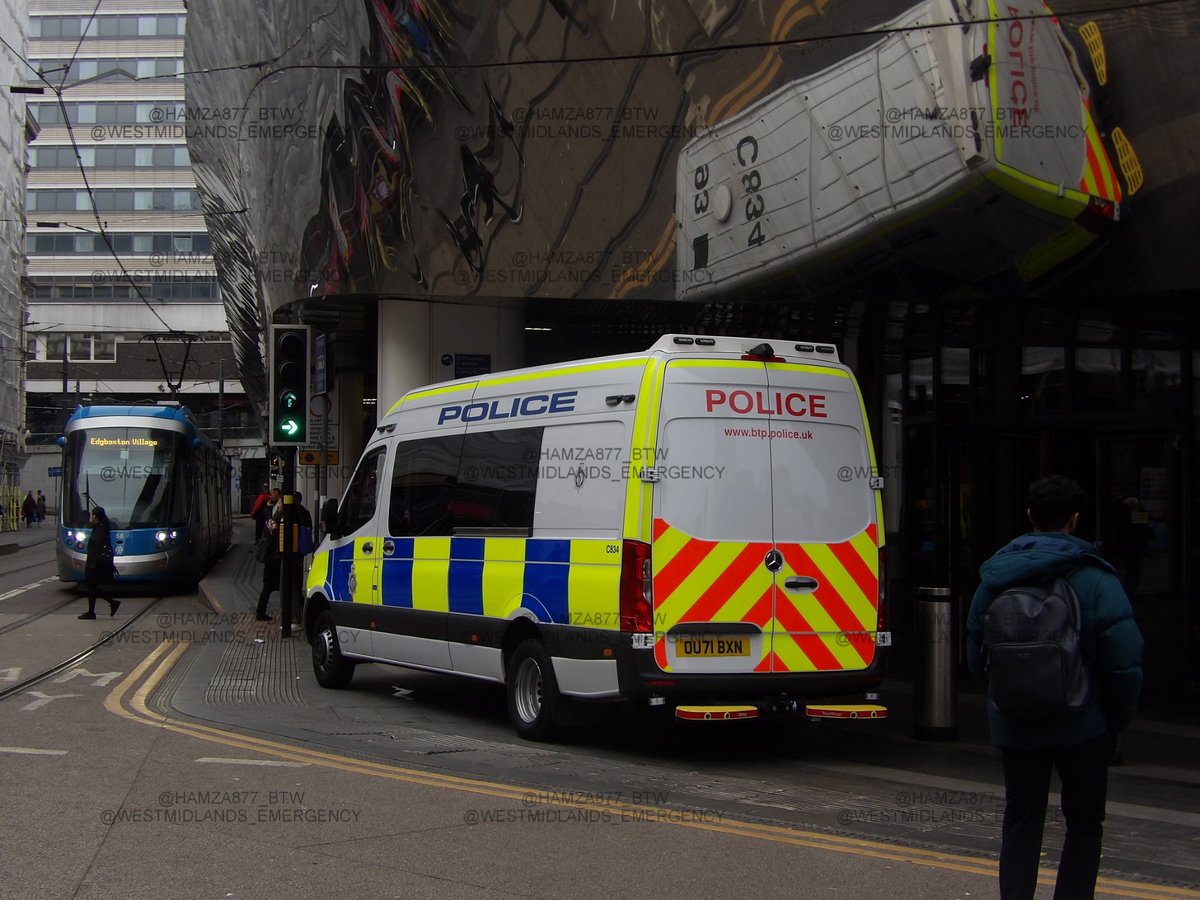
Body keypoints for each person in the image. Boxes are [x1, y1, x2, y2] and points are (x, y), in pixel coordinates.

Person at [967, 475, 1144, 899]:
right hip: (1084, 725)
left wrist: (1000, 701)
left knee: (1022, 819)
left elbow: (976, 652)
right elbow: (1125, 660)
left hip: (1016, 724)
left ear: (1029, 516)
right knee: (1084, 823)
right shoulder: (1096, 579)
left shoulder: (995, 578)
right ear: (1075, 520)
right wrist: (1113, 721)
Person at [79, 506, 120, 619]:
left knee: (91, 585)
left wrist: (92, 563)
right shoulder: (99, 526)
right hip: (94, 560)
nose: (91, 517)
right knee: (91, 586)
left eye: (92, 515)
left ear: (96, 516)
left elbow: (97, 546)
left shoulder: (101, 528)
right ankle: (102, 607)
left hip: (95, 561)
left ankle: (110, 603)